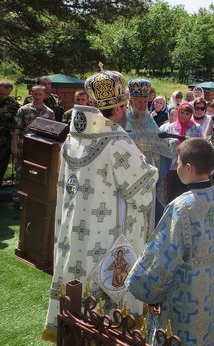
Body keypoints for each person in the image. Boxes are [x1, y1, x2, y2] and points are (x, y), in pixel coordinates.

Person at [43, 69, 158, 341]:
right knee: (105, 309)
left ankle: (73, 332)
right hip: (106, 240)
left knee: (75, 294)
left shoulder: (72, 138)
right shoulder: (117, 142)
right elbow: (142, 192)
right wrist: (148, 167)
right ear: (117, 109)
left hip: (74, 237)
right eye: (124, 106)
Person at [127, 138, 214, 346]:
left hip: (185, 294)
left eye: (177, 163)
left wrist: (148, 290)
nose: (175, 167)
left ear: (188, 167)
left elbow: (161, 258)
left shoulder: (181, 207)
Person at [125, 78, 174, 225]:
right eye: (139, 102)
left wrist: (169, 144)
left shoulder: (150, 120)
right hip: (131, 173)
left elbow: (160, 143)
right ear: (131, 101)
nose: (142, 106)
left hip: (150, 173)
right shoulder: (124, 121)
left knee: (150, 213)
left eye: (145, 102)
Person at [160, 102, 203, 203]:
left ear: (191, 114)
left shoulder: (196, 127)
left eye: (187, 113)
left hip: (189, 166)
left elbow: (200, 144)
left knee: (186, 194)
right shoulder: (170, 127)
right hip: (172, 165)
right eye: (182, 112)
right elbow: (164, 144)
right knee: (170, 194)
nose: (184, 116)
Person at [11, 85, 54, 181]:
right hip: (24, 145)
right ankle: (18, 191)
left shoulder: (49, 112)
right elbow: (15, 129)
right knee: (21, 171)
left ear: (45, 95)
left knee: (38, 172)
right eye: (35, 94)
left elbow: (52, 132)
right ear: (31, 94)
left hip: (41, 147)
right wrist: (14, 146)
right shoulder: (23, 110)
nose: (38, 96)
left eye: (40, 94)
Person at [0, 80, 19, 182]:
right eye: (1, 94)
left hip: (4, 143)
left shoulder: (13, 104)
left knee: (1, 168)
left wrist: (14, 144)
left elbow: (15, 124)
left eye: (6, 95)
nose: (3, 97)